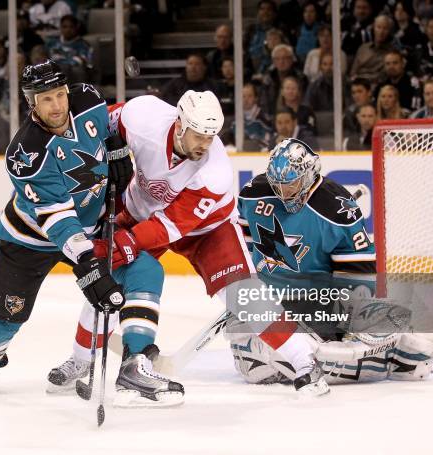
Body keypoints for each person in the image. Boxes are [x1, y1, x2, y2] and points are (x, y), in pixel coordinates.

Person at [54, 90, 331, 400]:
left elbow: (168, 227)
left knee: (243, 295)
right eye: (199, 135)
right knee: (109, 280)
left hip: (207, 228)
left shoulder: (215, 173)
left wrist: (125, 243)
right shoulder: (143, 115)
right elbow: (99, 124)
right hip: (142, 209)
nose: (205, 144)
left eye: (211, 137)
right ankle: (80, 361)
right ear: (181, 124)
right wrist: (107, 150)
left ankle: (304, 361)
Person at [0, 60, 173, 406]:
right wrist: (89, 266)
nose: (58, 105)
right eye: (47, 100)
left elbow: (110, 124)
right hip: (30, 238)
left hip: (91, 227)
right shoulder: (25, 155)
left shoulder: (88, 100)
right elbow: (59, 221)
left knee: (144, 269)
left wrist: (118, 147)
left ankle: (134, 362)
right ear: (32, 103)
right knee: (5, 315)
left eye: (60, 95)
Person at [230, 138, 433, 386]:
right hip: (268, 300)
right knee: (251, 359)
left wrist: (351, 317)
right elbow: (242, 247)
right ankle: (384, 354)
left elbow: (357, 279)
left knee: (282, 356)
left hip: (316, 300)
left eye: (291, 185)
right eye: (278, 185)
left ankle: (380, 353)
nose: (283, 193)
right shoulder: (252, 195)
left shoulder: (337, 210)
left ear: (308, 175)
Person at [46, 15, 93, 84]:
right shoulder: (53, 43)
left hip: (75, 75)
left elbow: (80, 61)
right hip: (55, 73)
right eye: (64, 27)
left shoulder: (84, 45)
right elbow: (48, 59)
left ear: (76, 28)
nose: (68, 30)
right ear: (60, 28)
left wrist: (60, 62)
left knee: (74, 69)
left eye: (71, 27)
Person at [349, 14, 396, 84]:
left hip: (376, 85)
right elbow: (353, 72)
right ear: (373, 28)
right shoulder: (363, 48)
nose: (381, 32)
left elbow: (383, 77)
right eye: (378, 27)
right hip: (357, 84)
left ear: (389, 31)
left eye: (385, 28)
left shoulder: (391, 52)